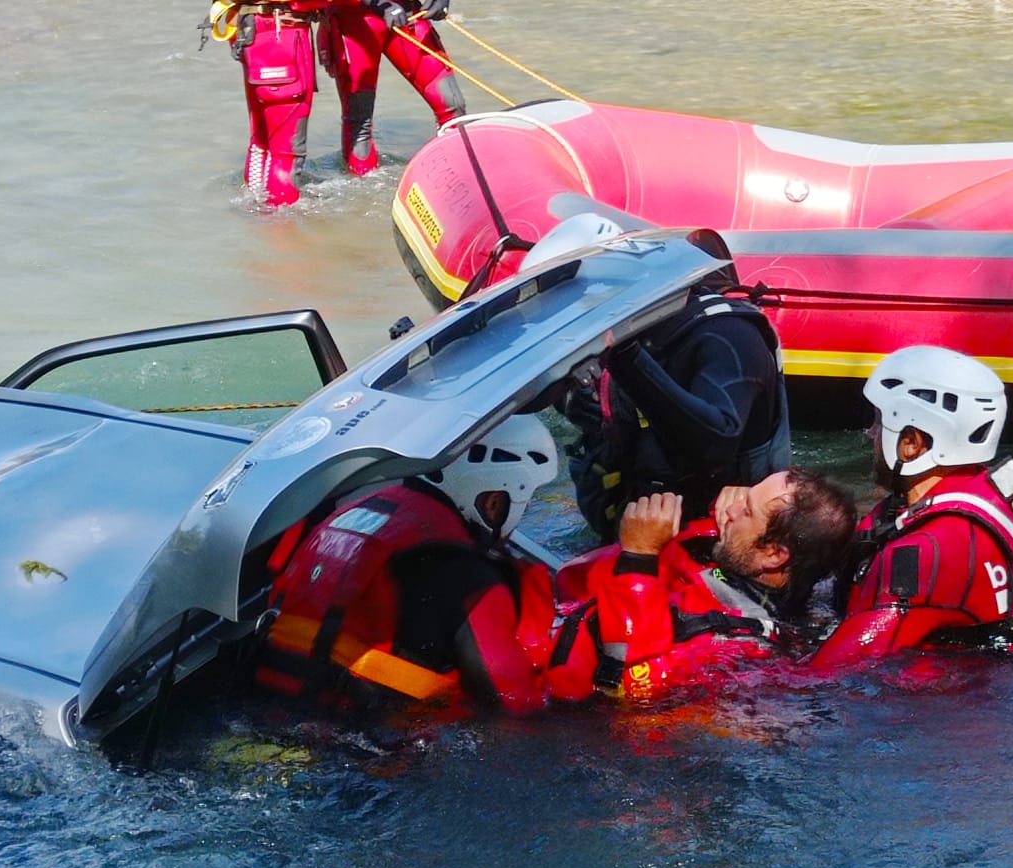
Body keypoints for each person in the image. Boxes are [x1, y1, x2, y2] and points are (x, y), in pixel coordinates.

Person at [256, 414, 555, 714]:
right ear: (494, 500)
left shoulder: (355, 510)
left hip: (270, 703)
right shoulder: (471, 577)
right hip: (357, 742)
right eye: (523, 504)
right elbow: (516, 706)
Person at [806, 345, 1013, 677]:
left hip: (970, 706)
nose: (869, 434)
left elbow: (828, 673)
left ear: (912, 443)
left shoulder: (925, 554)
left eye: (878, 423)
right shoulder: (989, 491)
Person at [522, 213, 793, 539]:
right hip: (629, 532)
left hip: (717, 555)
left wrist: (624, 355)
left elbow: (715, 444)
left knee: (716, 582)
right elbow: (529, 399)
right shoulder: (594, 339)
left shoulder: (727, 335)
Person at [543, 468, 858, 704]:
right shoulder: (750, 567)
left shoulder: (739, 648)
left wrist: (639, 558)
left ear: (773, 554)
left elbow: (630, 693)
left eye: (745, 509)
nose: (731, 510)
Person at [220, 0, 465, 205]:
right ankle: (282, 239)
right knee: (286, 150)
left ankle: (263, 224)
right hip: (324, 21)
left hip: (397, 10)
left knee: (265, 145)